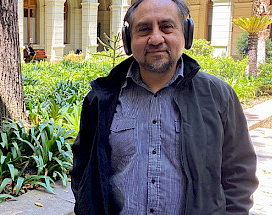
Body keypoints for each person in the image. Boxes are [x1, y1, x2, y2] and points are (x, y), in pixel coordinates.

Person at [70, 0, 258, 214]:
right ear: (128, 38)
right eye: (144, 29)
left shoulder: (218, 96)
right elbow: (83, 168)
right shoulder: (101, 99)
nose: (156, 38)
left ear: (186, 33)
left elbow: (239, 175)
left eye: (167, 27)